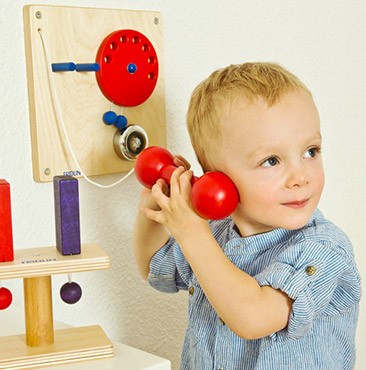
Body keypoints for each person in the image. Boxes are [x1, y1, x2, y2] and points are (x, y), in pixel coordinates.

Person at [133, 62, 361, 370]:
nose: (300, 176)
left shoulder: (323, 249)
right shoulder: (211, 233)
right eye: (271, 160)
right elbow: (154, 268)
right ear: (216, 178)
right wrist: (157, 209)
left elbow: (254, 317)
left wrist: (191, 233)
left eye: (311, 151)